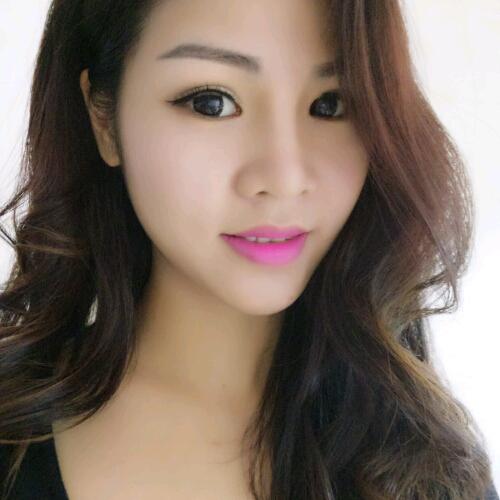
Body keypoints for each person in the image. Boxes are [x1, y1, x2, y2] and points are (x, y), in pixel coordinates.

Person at [0, 0, 497, 498]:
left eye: (331, 104)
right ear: (103, 119)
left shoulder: (431, 471)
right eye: (212, 102)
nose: (285, 177)